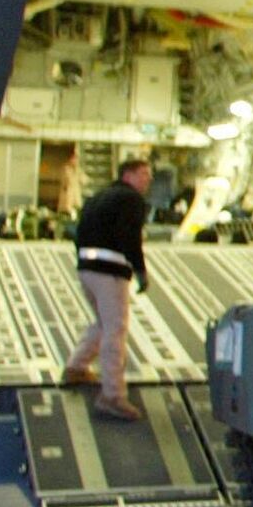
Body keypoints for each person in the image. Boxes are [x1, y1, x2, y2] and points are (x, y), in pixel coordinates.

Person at [63, 159, 153, 421]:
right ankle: (112, 395)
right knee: (116, 329)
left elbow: (78, 232)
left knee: (102, 323)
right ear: (128, 175)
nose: (148, 180)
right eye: (144, 174)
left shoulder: (98, 196)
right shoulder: (131, 200)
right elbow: (130, 236)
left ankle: (76, 367)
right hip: (110, 271)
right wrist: (140, 270)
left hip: (86, 269)